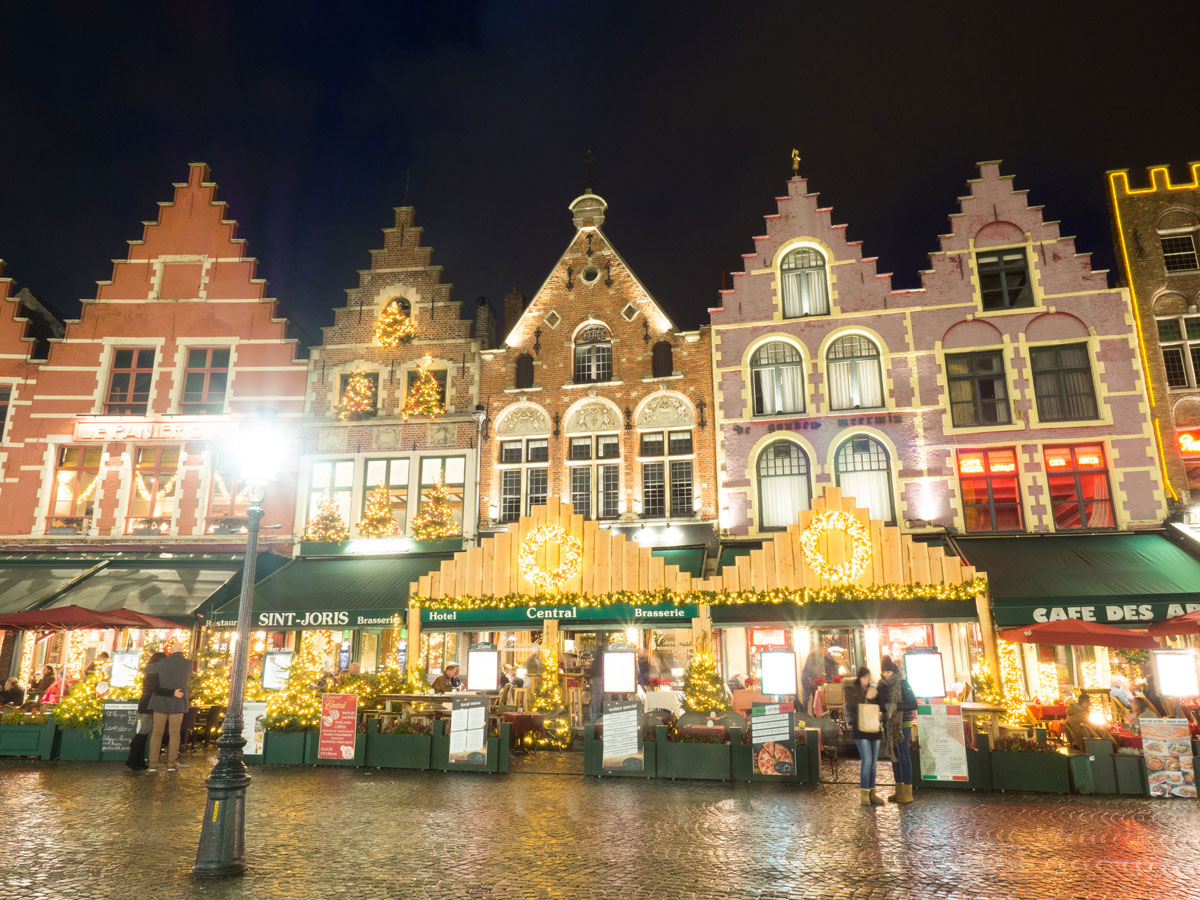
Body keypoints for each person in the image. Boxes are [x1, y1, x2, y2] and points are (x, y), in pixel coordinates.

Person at [125, 652, 181, 771]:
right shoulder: (154, 673)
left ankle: (137, 760)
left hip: (147, 704)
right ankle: (133, 760)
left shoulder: (151, 671)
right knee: (144, 731)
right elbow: (156, 690)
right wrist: (172, 692)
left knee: (145, 732)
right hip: (148, 705)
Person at [146, 646, 191, 773]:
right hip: (178, 702)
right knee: (175, 734)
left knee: (156, 733)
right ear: (183, 650)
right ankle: (171, 765)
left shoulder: (162, 663)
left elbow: (147, 670)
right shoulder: (188, 664)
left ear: (171, 651)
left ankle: (153, 765)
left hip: (160, 701)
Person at [878, 656, 916, 804]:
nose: (886, 674)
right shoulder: (881, 685)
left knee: (904, 755)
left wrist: (895, 706)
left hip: (903, 723)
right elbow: (881, 705)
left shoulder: (902, 683)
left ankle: (907, 792)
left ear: (893, 671)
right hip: (888, 723)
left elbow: (913, 703)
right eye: (884, 672)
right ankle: (898, 790)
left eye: (888, 671)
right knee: (894, 756)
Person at [845, 666, 884, 806]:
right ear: (859, 678)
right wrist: (866, 697)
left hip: (874, 729)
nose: (867, 680)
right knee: (867, 761)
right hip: (861, 730)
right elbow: (852, 707)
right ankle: (864, 794)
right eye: (864, 678)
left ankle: (872, 793)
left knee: (873, 763)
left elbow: (882, 706)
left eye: (868, 677)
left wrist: (877, 692)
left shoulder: (873, 690)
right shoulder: (851, 691)